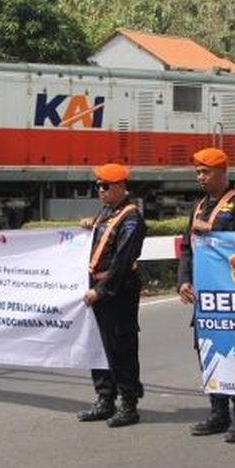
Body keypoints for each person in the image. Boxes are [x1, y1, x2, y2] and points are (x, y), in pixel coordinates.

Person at [178, 147, 235, 443]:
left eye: (206, 172)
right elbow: (187, 248)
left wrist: (209, 231)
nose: (200, 177)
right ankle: (217, 412)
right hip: (204, 296)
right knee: (207, 351)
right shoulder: (198, 206)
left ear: (222, 173)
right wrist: (184, 281)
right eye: (198, 172)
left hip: (232, 294)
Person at [75, 163, 146, 428]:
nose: (99, 191)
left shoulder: (132, 218)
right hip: (101, 290)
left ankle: (129, 404)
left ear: (118, 187)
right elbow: (101, 244)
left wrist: (100, 291)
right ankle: (105, 400)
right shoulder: (107, 212)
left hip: (118, 291)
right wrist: (89, 226)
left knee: (121, 346)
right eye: (97, 186)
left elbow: (122, 260)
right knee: (98, 345)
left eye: (104, 186)